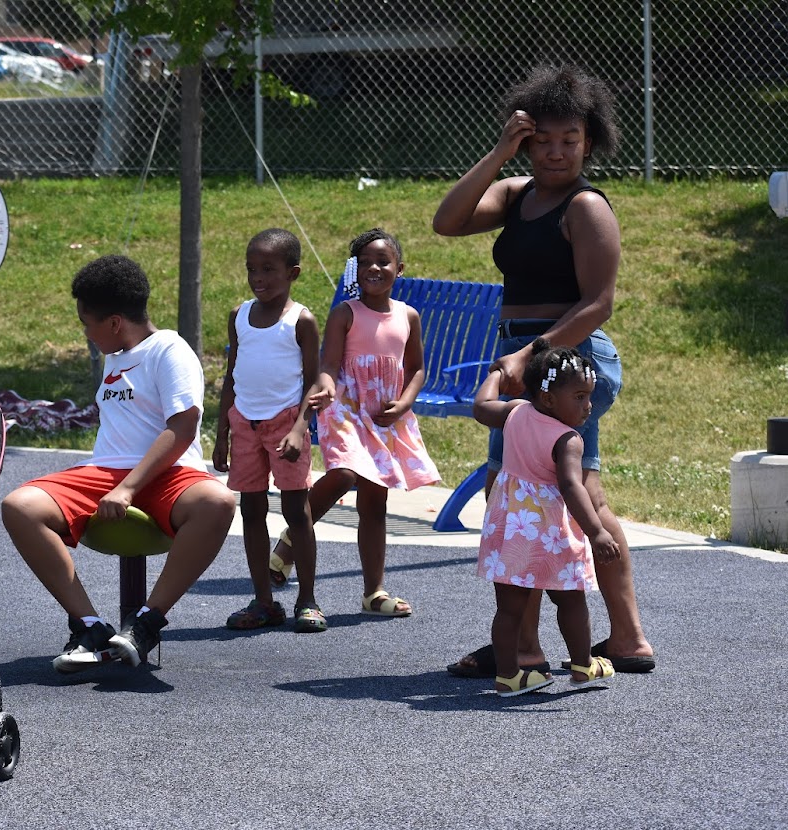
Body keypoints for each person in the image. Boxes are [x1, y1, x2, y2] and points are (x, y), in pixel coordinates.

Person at [432, 63, 655, 676]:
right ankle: (624, 637)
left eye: (570, 140)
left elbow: (599, 303)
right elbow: (446, 221)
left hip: (565, 362)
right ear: (527, 140)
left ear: (591, 141)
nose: (557, 153)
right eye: (543, 140)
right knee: (573, 491)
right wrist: (501, 150)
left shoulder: (585, 207)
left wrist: (530, 359)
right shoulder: (518, 195)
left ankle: (523, 644)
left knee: (524, 491)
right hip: (532, 359)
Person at [0, 254, 237, 673]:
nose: (86, 334)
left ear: (113, 323)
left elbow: (182, 429)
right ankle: (89, 626)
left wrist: (128, 487)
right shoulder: (115, 355)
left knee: (218, 501)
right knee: (19, 506)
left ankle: (147, 622)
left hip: (169, 473)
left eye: (86, 324)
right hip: (103, 472)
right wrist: (116, 482)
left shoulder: (169, 349)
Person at [270, 229, 440, 616]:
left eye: (383, 262)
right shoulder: (345, 313)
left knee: (375, 502)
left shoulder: (408, 316)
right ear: (354, 269)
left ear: (400, 268)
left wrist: (406, 402)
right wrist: (326, 389)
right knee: (345, 475)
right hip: (345, 406)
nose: (374, 269)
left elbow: (416, 369)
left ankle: (373, 592)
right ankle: (291, 538)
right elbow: (328, 365)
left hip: (385, 414)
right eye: (364, 263)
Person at [473, 339, 619, 696]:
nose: (588, 406)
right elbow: (572, 488)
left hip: (510, 526)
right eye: (580, 397)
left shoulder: (516, 412)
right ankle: (584, 665)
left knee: (509, 608)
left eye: (589, 395)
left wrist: (496, 372)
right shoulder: (568, 439)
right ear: (550, 398)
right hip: (548, 530)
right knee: (570, 599)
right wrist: (597, 531)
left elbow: (480, 407)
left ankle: (509, 676)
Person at [213, 229, 324, 633]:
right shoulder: (239, 316)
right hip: (245, 422)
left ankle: (307, 599)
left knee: (297, 510)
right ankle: (263, 601)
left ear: (293, 272)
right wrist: (221, 432)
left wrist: (299, 429)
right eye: (252, 269)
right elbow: (232, 376)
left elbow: (314, 380)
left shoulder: (301, 321)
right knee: (251, 509)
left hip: (285, 424)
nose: (258, 277)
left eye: (269, 269)